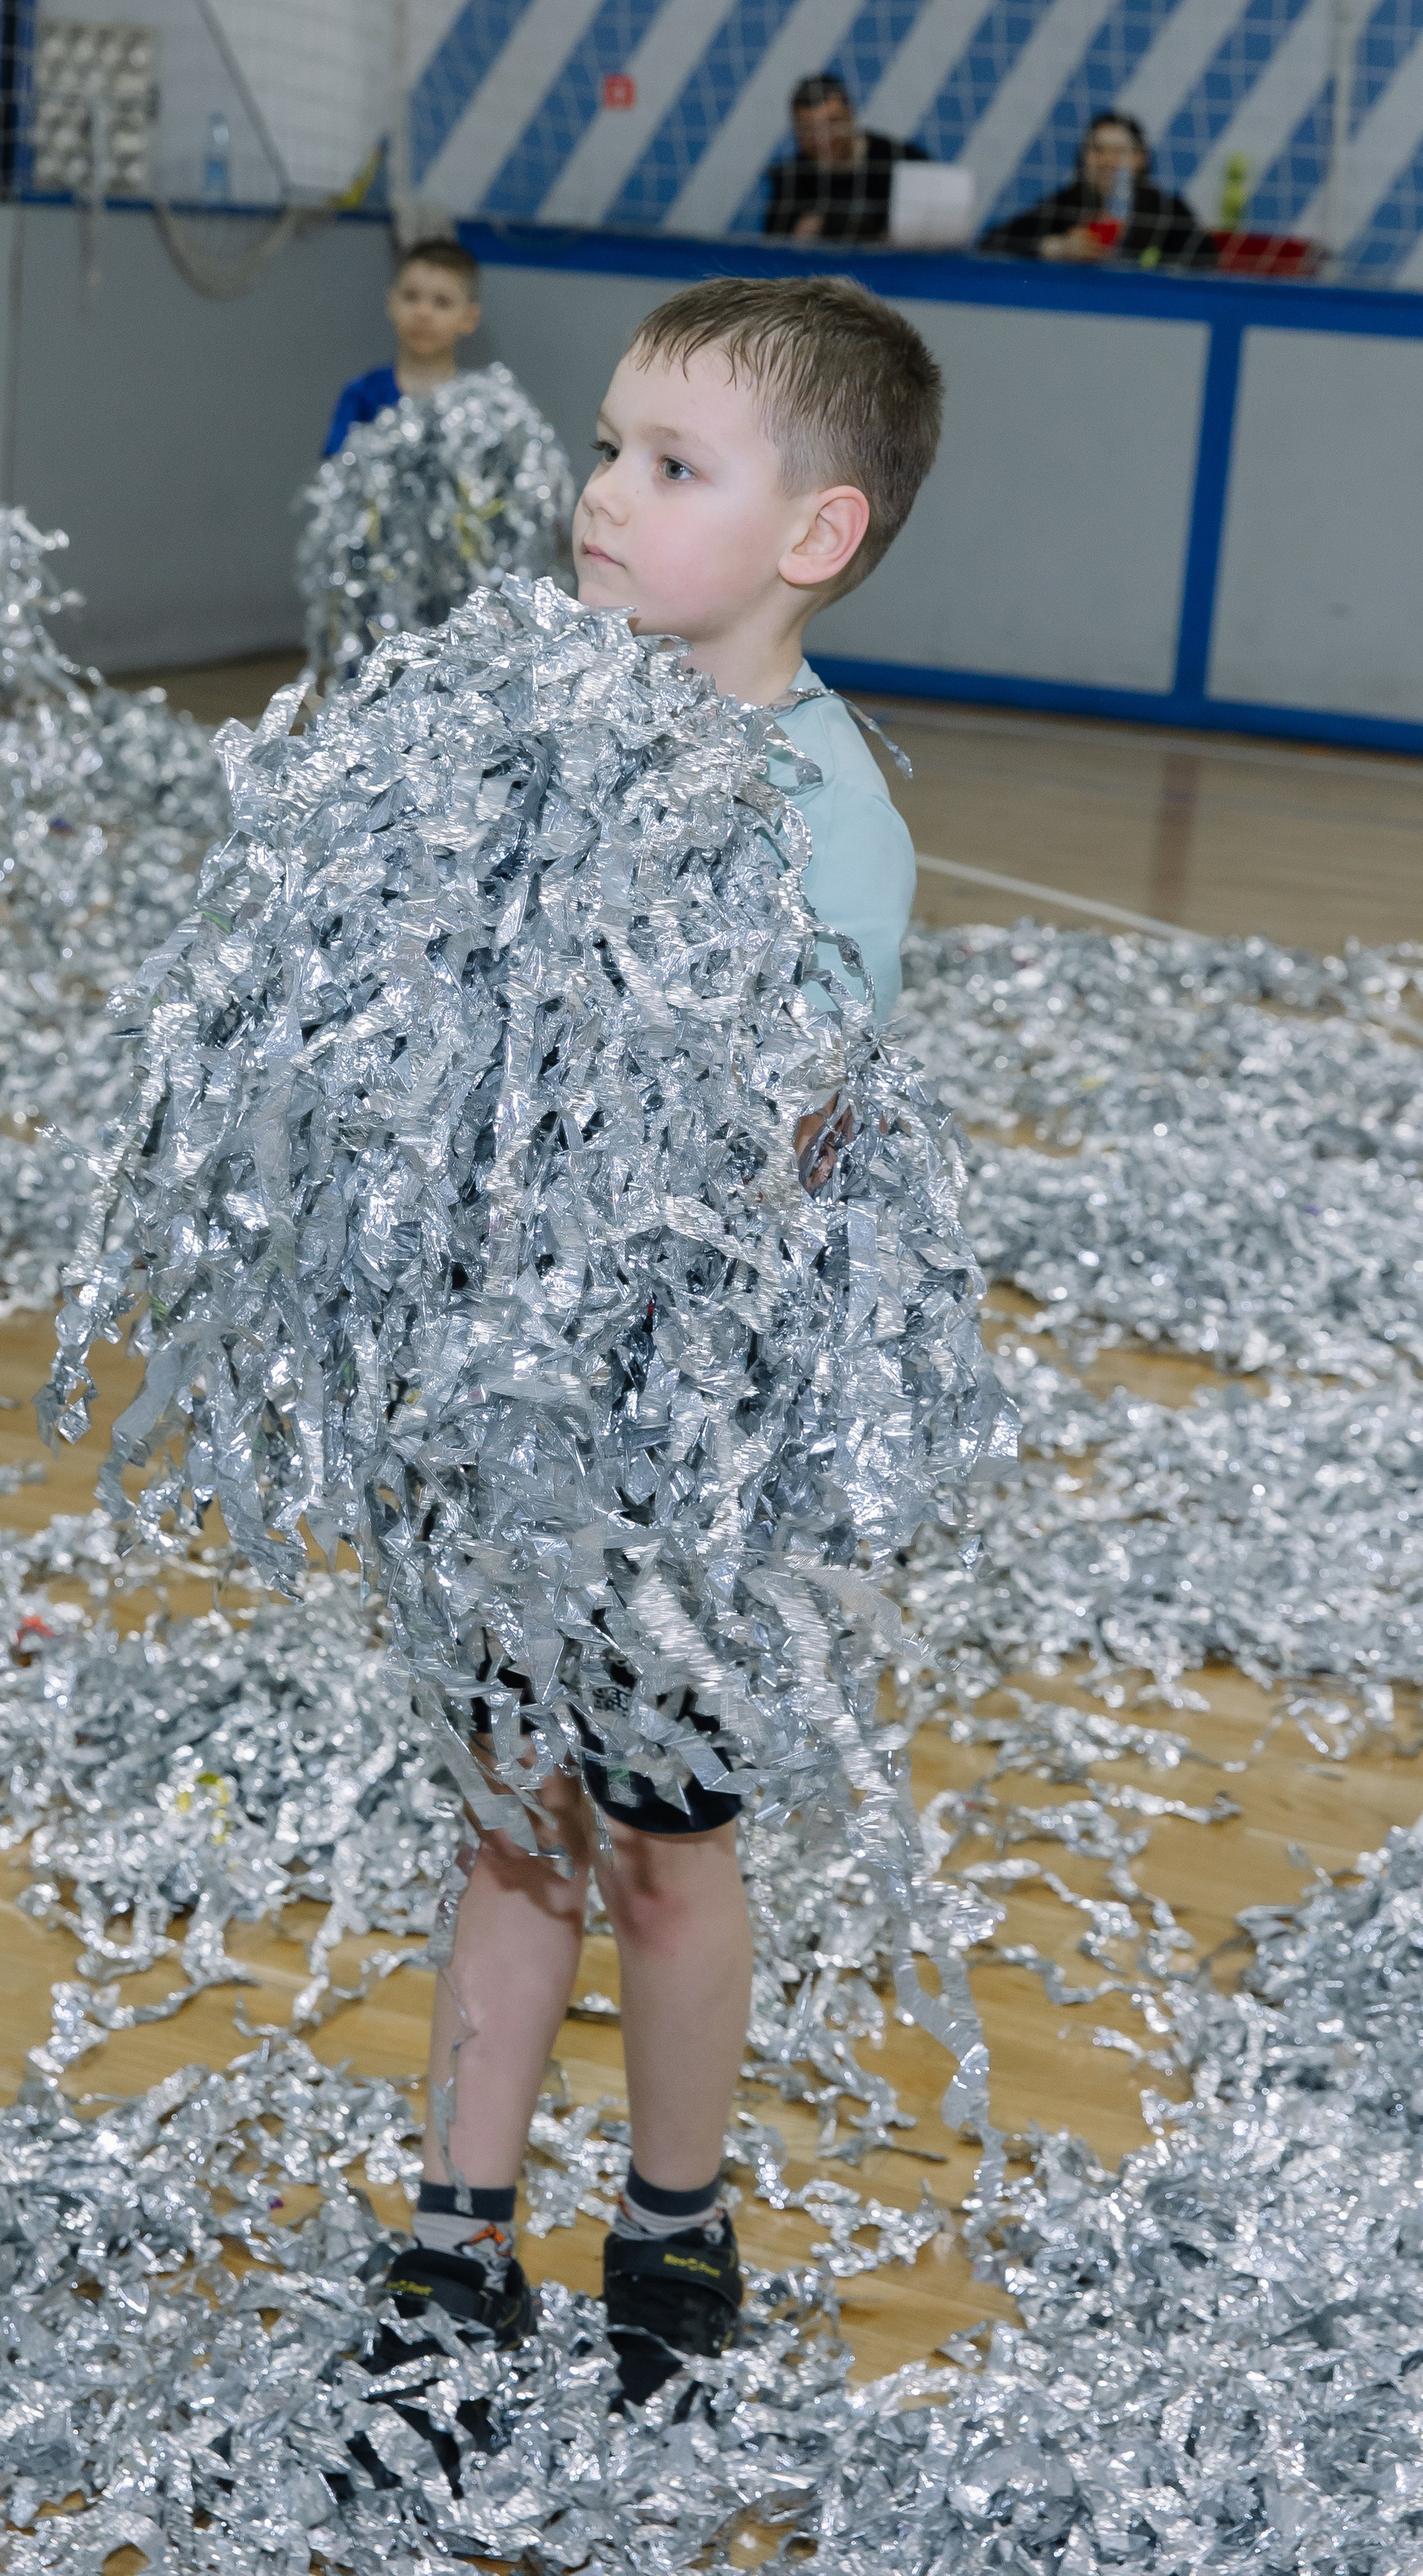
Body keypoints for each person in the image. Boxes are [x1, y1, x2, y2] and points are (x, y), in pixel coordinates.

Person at [364, 275, 934, 2429]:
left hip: (682, 1462)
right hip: (505, 1441)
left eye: (670, 467)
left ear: (815, 536)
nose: (602, 495)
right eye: (606, 447)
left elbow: (785, 1127)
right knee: (513, 1822)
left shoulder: (823, 810)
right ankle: (456, 2227)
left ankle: (677, 2215)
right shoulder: (521, 738)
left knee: (674, 1856)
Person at [979, 109, 1216, 271]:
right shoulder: (1065, 205)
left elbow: (1207, 263)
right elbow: (990, 243)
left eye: (1120, 152)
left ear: (1140, 158)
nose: (1108, 161)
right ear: (1083, 157)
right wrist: (1054, 247)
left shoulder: (1168, 209)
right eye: (1098, 150)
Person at [323, 236, 482, 457]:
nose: (423, 313)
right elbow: (335, 474)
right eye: (411, 297)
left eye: (442, 302)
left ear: (470, 318)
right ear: (391, 303)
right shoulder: (363, 396)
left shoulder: (478, 407)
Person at [762, 73, 927, 245]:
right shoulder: (791, 178)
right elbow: (777, 246)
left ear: (851, 116)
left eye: (831, 124)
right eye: (809, 130)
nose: (823, 140)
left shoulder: (903, 162)